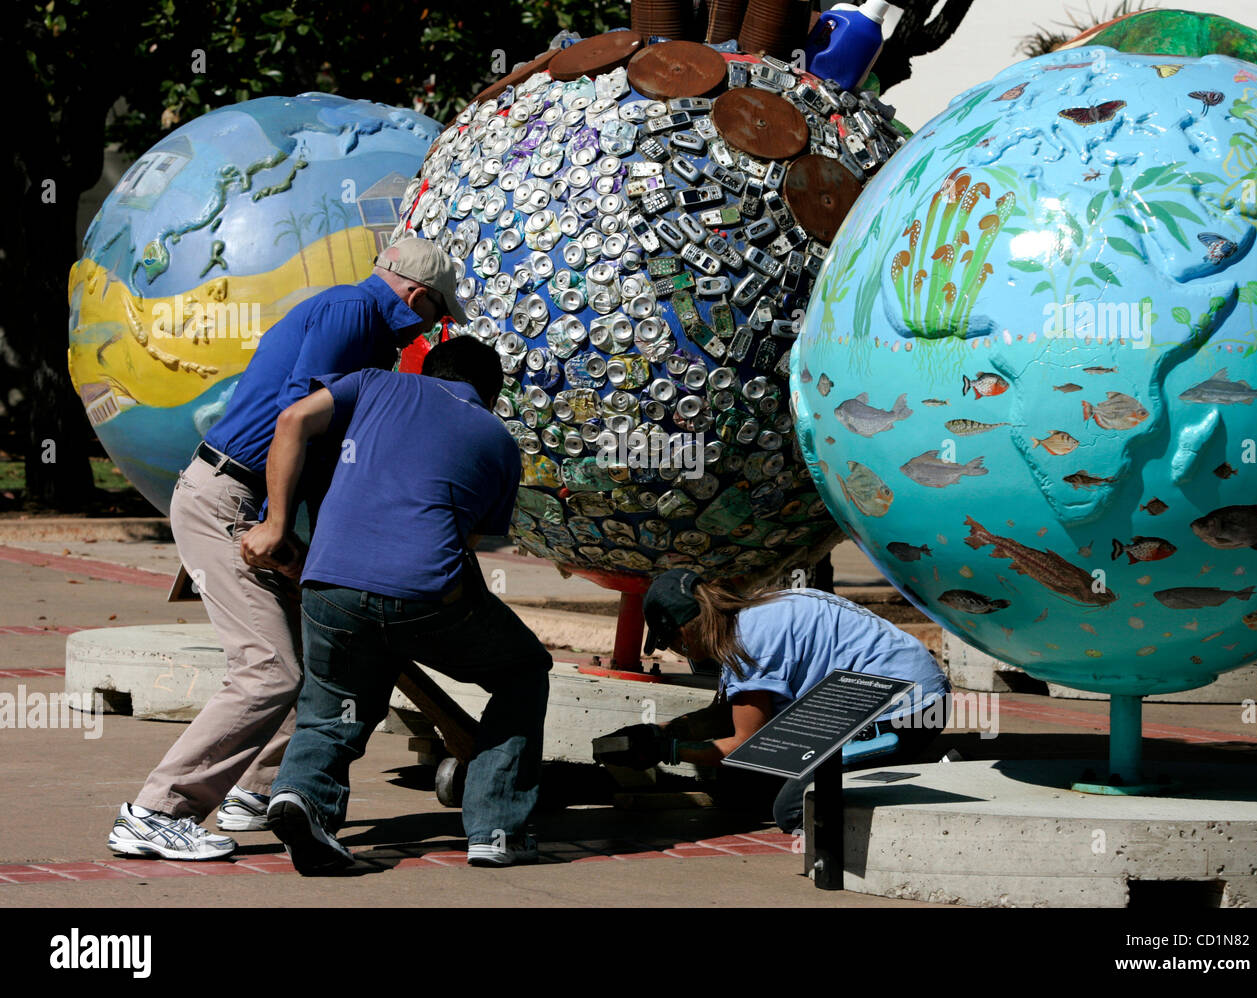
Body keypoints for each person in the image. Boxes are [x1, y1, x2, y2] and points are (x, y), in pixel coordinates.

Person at [108, 238, 466, 861]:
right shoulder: (352, 311)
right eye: (438, 314)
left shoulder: (373, 334)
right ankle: (157, 810)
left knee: (312, 656)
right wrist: (275, 522)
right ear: (416, 295)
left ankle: (257, 790)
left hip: (246, 497)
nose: (433, 330)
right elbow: (293, 416)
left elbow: (325, 451)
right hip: (228, 497)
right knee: (270, 669)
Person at [240, 336, 552, 874]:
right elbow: (467, 544)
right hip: (426, 596)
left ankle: (301, 797)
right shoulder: (499, 438)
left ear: (424, 369)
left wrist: (276, 525)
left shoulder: (372, 382)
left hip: (330, 583)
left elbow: (291, 421)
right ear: (491, 394)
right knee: (524, 670)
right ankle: (497, 829)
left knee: (334, 700)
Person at [595, 570, 952, 832]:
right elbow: (727, 716)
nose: (676, 652)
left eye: (670, 643)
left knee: (795, 811)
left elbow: (744, 745)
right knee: (743, 789)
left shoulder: (746, 644)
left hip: (904, 711)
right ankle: (916, 758)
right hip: (907, 695)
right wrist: (658, 731)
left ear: (685, 630)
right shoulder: (755, 614)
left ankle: (936, 776)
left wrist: (667, 751)